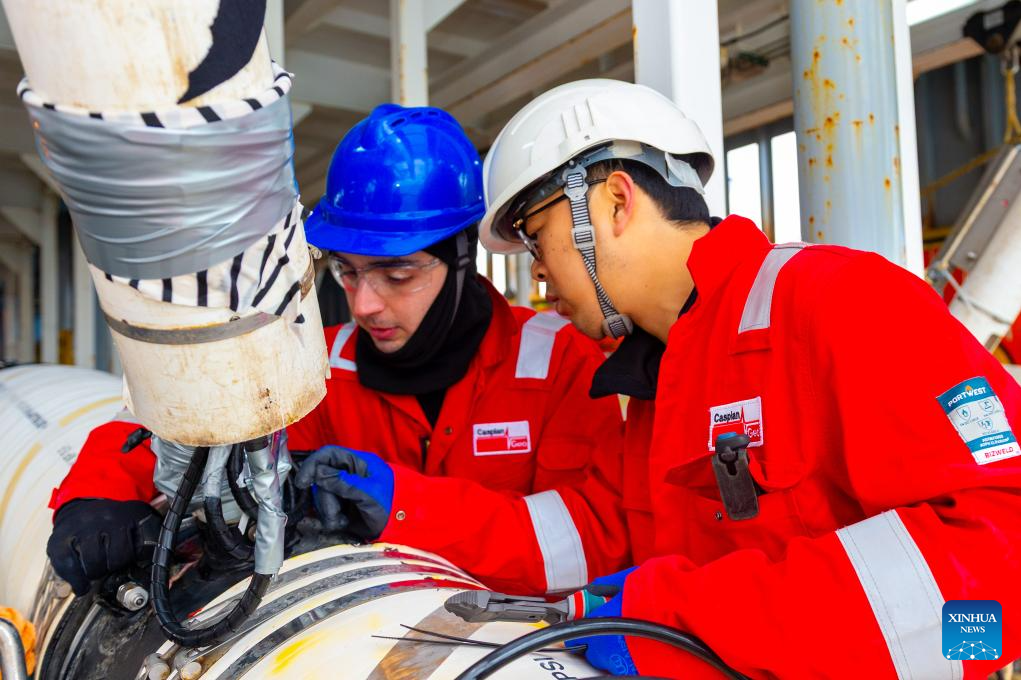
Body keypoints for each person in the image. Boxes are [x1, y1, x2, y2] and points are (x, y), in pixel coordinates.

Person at [478, 79, 1021, 678]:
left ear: (614, 201)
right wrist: (408, 511)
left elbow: (1006, 579)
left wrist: (685, 624)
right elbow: (597, 537)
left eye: (535, 235)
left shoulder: (840, 300)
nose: (537, 271)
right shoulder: (656, 382)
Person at [46, 103, 628, 598]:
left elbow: (594, 541)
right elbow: (178, 426)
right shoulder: (321, 367)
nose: (364, 305)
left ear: (460, 257)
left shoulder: (558, 364)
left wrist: (404, 506)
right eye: (347, 272)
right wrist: (94, 496)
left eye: (396, 274)